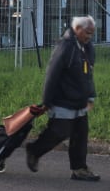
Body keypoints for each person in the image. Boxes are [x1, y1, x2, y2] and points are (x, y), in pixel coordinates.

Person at [25, 15, 100, 181]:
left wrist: (91, 97)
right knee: (59, 132)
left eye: (91, 33)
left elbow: (89, 75)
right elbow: (52, 75)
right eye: (87, 32)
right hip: (62, 100)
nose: (89, 37)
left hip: (79, 101)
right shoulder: (65, 47)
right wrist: (46, 101)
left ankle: (79, 169)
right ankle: (34, 150)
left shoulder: (87, 47)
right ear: (77, 29)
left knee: (81, 135)